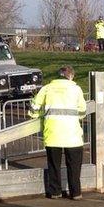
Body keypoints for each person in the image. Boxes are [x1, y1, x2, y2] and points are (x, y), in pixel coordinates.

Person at [29, 66, 86, 200]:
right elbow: (82, 111)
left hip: (53, 132)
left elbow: (34, 108)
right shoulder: (76, 89)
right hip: (73, 134)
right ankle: (76, 192)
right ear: (71, 76)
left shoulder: (47, 88)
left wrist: (38, 114)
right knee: (74, 166)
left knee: (54, 165)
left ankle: (55, 191)